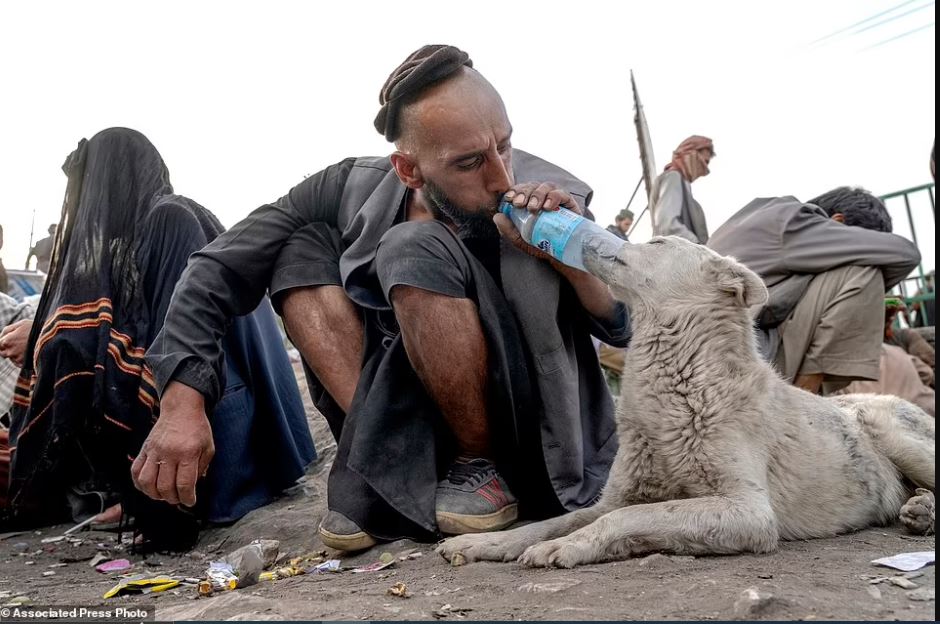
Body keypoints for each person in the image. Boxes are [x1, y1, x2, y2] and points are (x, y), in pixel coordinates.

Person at [145, 44, 630, 551]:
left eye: (503, 147)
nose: (500, 179)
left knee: (413, 246)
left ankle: (476, 468)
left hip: (531, 431)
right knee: (298, 248)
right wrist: (182, 400)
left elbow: (625, 323)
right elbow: (218, 265)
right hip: (406, 415)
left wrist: (567, 253)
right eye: (468, 163)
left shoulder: (546, 200)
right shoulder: (351, 185)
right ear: (408, 170)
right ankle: (386, 461)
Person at [4, 128, 315, 549]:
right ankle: (127, 493)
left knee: (79, 361)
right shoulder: (144, 228)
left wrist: (46, 336)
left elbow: (179, 337)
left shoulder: (170, 218)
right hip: (212, 386)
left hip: (219, 399)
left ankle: (163, 496)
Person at [708, 186, 921, 395]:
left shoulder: (767, 214)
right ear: (837, 222)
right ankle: (802, 405)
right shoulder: (798, 222)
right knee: (865, 273)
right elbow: (907, 253)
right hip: (732, 363)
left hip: (713, 354)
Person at [649, 135, 714, 243]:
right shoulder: (673, 177)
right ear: (690, 154)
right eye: (704, 161)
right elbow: (667, 224)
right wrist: (699, 248)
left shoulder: (683, 184)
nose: (705, 169)